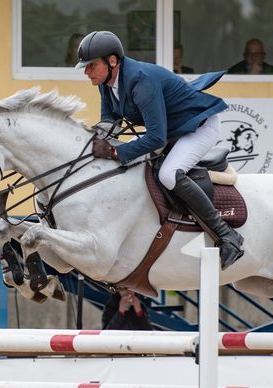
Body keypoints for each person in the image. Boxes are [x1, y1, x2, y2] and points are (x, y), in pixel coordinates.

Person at [74, 30, 243, 269]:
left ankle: (227, 235)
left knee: (168, 174)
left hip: (199, 126)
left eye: (91, 65)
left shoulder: (141, 81)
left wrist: (114, 152)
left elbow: (155, 138)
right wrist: (86, 143)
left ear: (112, 61)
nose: (86, 72)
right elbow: (110, 123)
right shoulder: (106, 83)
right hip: (173, 129)